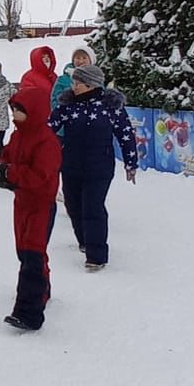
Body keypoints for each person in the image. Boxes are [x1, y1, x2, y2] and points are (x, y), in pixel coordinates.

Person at [48, 62, 137, 271]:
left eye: (78, 82)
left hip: (100, 167)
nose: (74, 86)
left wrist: (130, 163)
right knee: (73, 206)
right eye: (74, 82)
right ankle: (84, 240)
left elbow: (126, 135)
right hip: (71, 165)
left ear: (91, 84)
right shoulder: (68, 105)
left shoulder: (110, 106)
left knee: (93, 207)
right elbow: (48, 129)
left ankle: (96, 256)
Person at [0, 88, 62, 332]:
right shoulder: (18, 135)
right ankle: (43, 289)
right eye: (13, 110)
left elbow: (41, 175)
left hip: (41, 205)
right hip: (21, 202)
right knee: (25, 250)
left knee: (32, 255)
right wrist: (1, 168)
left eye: (18, 111)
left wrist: (11, 173)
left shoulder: (47, 141)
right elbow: (8, 157)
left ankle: (29, 313)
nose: (14, 115)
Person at [51, 44, 96, 111]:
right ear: (73, 60)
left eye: (84, 58)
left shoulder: (96, 79)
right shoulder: (63, 80)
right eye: (78, 58)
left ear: (91, 61)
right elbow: (55, 101)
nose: (81, 61)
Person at [19, 45, 58, 118]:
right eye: (43, 57)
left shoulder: (54, 76)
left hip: (54, 117)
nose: (46, 59)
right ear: (36, 59)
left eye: (48, 57)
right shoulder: (29, 77)